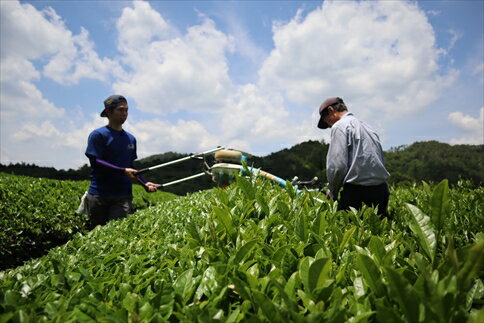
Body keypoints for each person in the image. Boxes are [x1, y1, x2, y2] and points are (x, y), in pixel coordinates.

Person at [84, 94, 159, 229]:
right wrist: (122, 171)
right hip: (99, 195)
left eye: (126, 110)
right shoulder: (98, 135)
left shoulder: (130, 139)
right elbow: (96, 161)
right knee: (95, 237)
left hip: (122, 196)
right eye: (120, 110)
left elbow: (130, 166)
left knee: (118, 233)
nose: (124, 113)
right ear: (108, 112)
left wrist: (145, 183)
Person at [317, 97, 390, 217]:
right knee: (379, 232)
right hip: (381, 191)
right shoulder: (368, 127)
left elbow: (337, 166)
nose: (328, 126)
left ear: (330, 110)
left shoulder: (340, 126)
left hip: (357, 194)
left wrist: (332, 191)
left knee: (348, 232)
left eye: (326, 121)